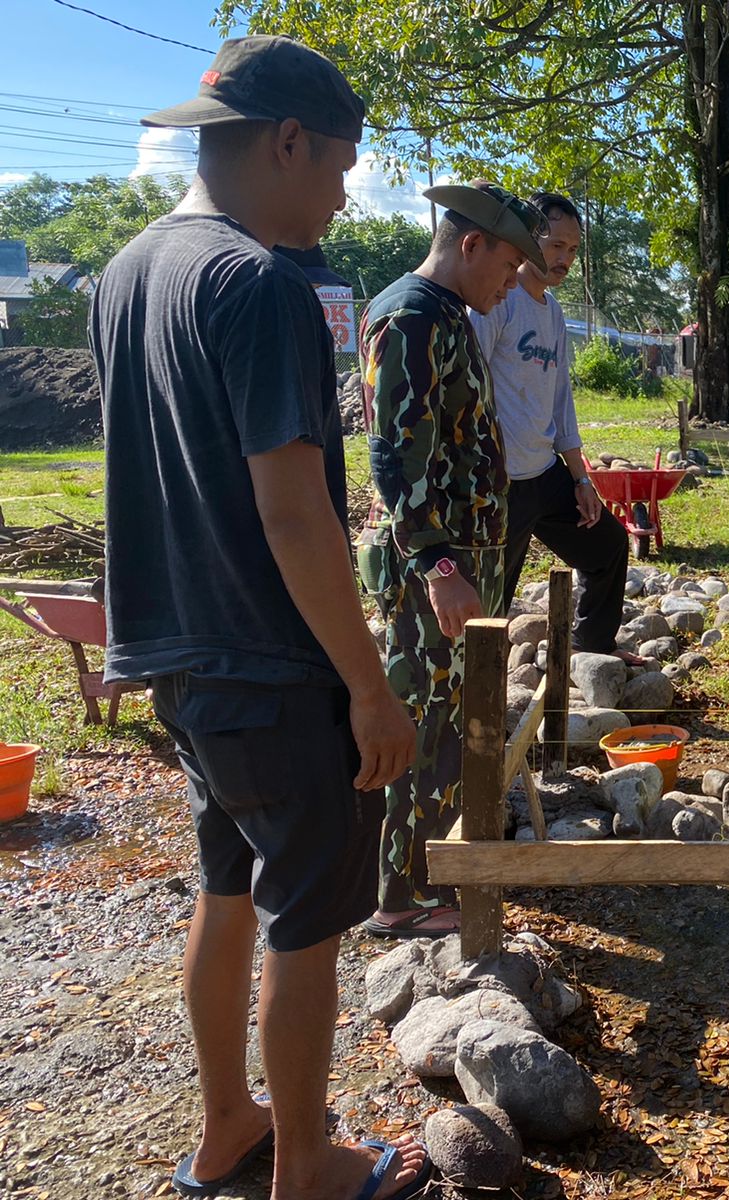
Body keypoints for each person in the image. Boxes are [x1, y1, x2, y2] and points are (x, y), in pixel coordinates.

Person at [90, 36, 430, 1200]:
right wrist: (371, 687)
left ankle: (228, 1123)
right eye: (338, 165)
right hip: (274, 661)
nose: (343, 192)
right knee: (308, 919)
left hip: (175, 654)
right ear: (287, 141)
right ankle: (305, 1167)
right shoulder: (259, 283)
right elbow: (293, 513)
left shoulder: (128, 270)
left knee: (226, 891)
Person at [356, 181, 545, 938]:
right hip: (433, 568)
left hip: (463, 559)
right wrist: (438, 566)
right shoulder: (408, 316)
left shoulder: (447, 315)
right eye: (507, 265)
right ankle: (402, 897)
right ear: (471, 245)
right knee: (425, 718)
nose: (513, 282)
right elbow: (393, 458)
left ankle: (437, 870)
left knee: (454, 712)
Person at [469, 192, 633, 651]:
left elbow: (561, 402)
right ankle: (476, 703)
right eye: (556, 245)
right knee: (490, 603)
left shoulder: (554, 313)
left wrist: (582, 479)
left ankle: (590, 650)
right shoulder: (498, 300)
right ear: (528, 238)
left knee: (608, 547)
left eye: (573, 250)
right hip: (501, 482)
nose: (565, 259)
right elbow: (468, 388)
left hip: (544, 475)